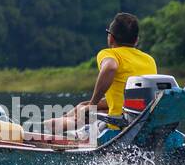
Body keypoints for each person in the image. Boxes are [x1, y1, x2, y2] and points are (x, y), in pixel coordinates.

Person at [45, 13, 157, 141]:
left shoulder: (109, 54)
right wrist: (91, 105)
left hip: (119, 125)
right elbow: (126, 96)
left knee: (53, 123)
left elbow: (110, 67)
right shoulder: (149, 60)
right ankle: (64, 120)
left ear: (111, 38)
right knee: (82, 106)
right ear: (136, 39)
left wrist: (93, 104)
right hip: (143, 120)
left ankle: (50, 128)